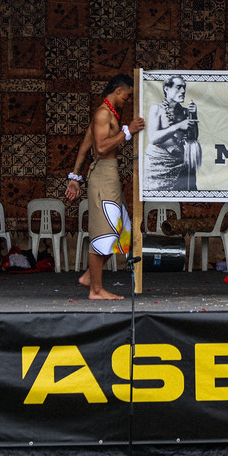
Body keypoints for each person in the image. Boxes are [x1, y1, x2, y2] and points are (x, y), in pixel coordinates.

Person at [64, 73, 145, 300]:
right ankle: (96, 290)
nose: (127, 101)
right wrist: (127, 132)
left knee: (123, 232)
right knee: (104, 231)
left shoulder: (107, 113)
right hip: (102, 178)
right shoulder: (102, 114)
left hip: (109, 176)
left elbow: (84, 146)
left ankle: (90, 276)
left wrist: (75, 176)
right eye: (127, 96)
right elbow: (99, 148)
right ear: (118, 91)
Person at [144, 74, 201, 191]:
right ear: (167, 89)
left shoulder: (185, 112)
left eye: (184, 87)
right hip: (158, 167)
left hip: (181, 165)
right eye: (178, 87)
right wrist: (178, 126)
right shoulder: (157, 109)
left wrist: (193, 115)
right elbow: (154, 138)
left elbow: (193, 137)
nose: (183, 91)